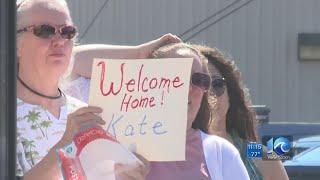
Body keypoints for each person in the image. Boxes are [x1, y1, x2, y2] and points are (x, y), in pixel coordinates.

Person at [15, 0, 179, 179]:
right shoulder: (6, 115)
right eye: (45, 31)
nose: (60, 41)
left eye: (68, 32)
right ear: (14, 43)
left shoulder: (89, 114)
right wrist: (65, 146)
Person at [69, 42, 250, 179]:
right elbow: (69, 65)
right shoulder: (115, 147)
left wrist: (268, 158)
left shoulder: (223, 151)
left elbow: (268, 159)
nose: (186, 88)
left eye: (198, 79)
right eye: (175, 76)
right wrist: (139, 53)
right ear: (150, 81)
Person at [193, 44, 289, 180]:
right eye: (198, 83)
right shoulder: (169, 157)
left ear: (231, 94)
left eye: (217, 84)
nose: (209, 95)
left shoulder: (259, 153)